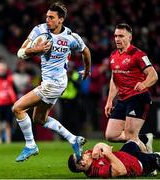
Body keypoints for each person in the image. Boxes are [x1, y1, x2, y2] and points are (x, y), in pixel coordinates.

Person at [12, 1, 91, 162]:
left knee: (17, 108)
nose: (47, 20)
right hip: (52, 83)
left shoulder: (70, 37)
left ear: (60, 19)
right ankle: (73, 139)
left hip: (53, 84)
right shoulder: (39, 30)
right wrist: (36, 50)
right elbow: (20, 53)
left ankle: (30, 145)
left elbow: (85, 51)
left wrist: (87, 70)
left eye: (51, 17)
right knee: (39, 119)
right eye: (47, 16)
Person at [104, 23, 158, 151]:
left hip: (138, 98)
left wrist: (144, 84)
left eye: (121, 36)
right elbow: (114, 79)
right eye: (116, 36)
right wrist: (109, 100)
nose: (117, 39)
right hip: (122, 100)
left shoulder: (138, 54)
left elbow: (153, 75)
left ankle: (151, 162)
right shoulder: (113, 55)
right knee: (111, 135)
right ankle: (143, 139)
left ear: (130, 38)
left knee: (130, 136)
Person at [68, 141, 160, 178]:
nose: (84, 152)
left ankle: (147, 150)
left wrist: (98, 145)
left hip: (125, 154)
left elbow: (101, 145)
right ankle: (151, 164)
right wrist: (108, 153)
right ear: (82, 163)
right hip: (136, 164)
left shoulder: (90, 155)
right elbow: (121, 170)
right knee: (156, 159)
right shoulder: (98, 171)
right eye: (82, 155)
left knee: (132, 142)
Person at [0, 60, 17, 144]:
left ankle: (8, 140)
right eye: (0, 68)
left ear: (5, 69)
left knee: (8, 123)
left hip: (8, 104)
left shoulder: (10, 79)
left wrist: (14, 103)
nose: (1, 70)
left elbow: (14, 91)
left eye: (3, 68)